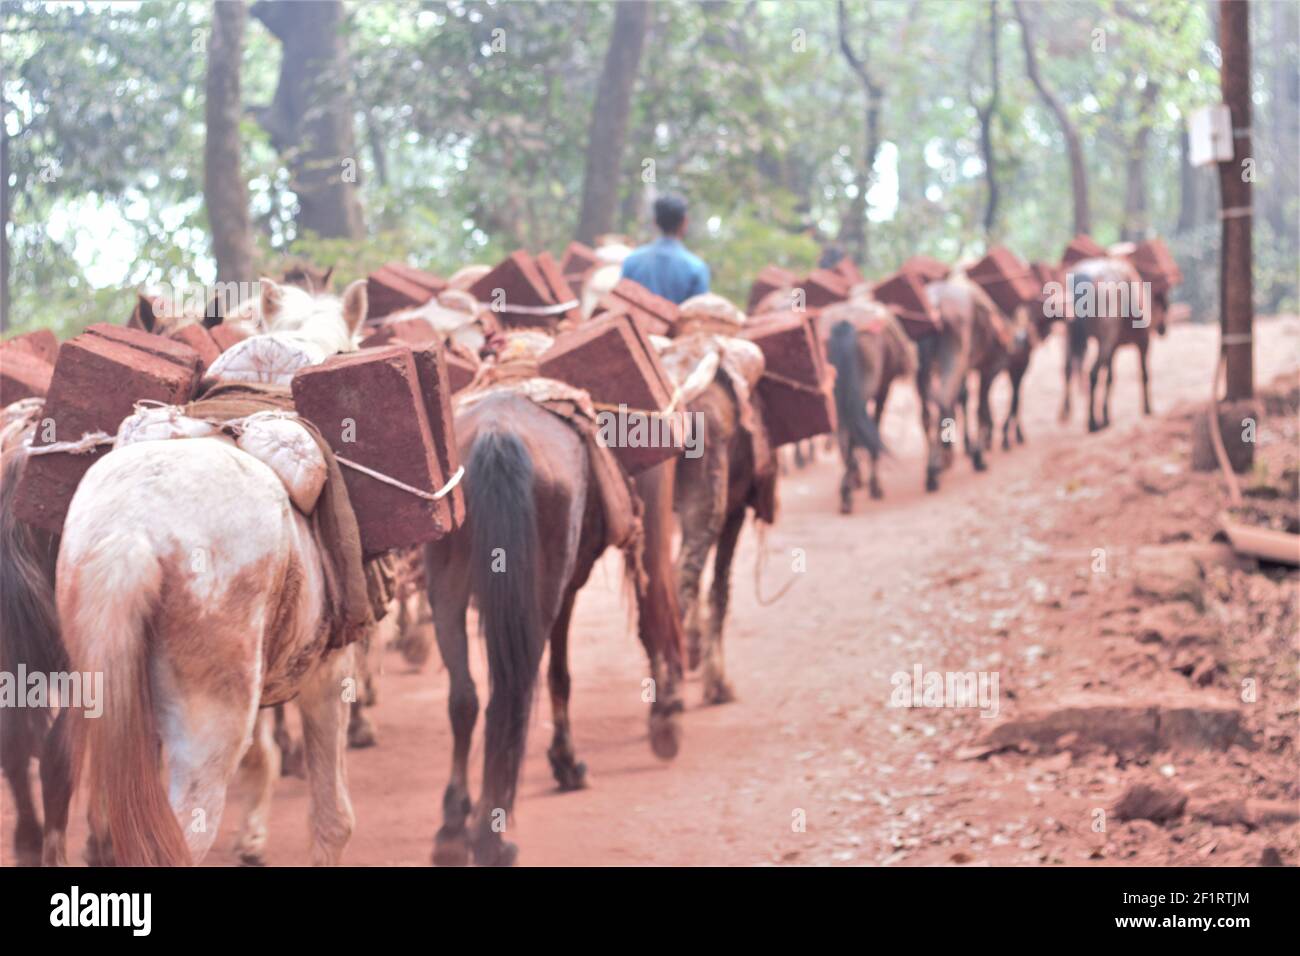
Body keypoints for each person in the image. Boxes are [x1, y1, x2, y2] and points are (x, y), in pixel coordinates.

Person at [621, 193, 710, 304]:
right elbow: (699, 313)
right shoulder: (695, 268)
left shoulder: (632, 260)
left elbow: (621, 301)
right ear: (684, 222)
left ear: (655, 222)